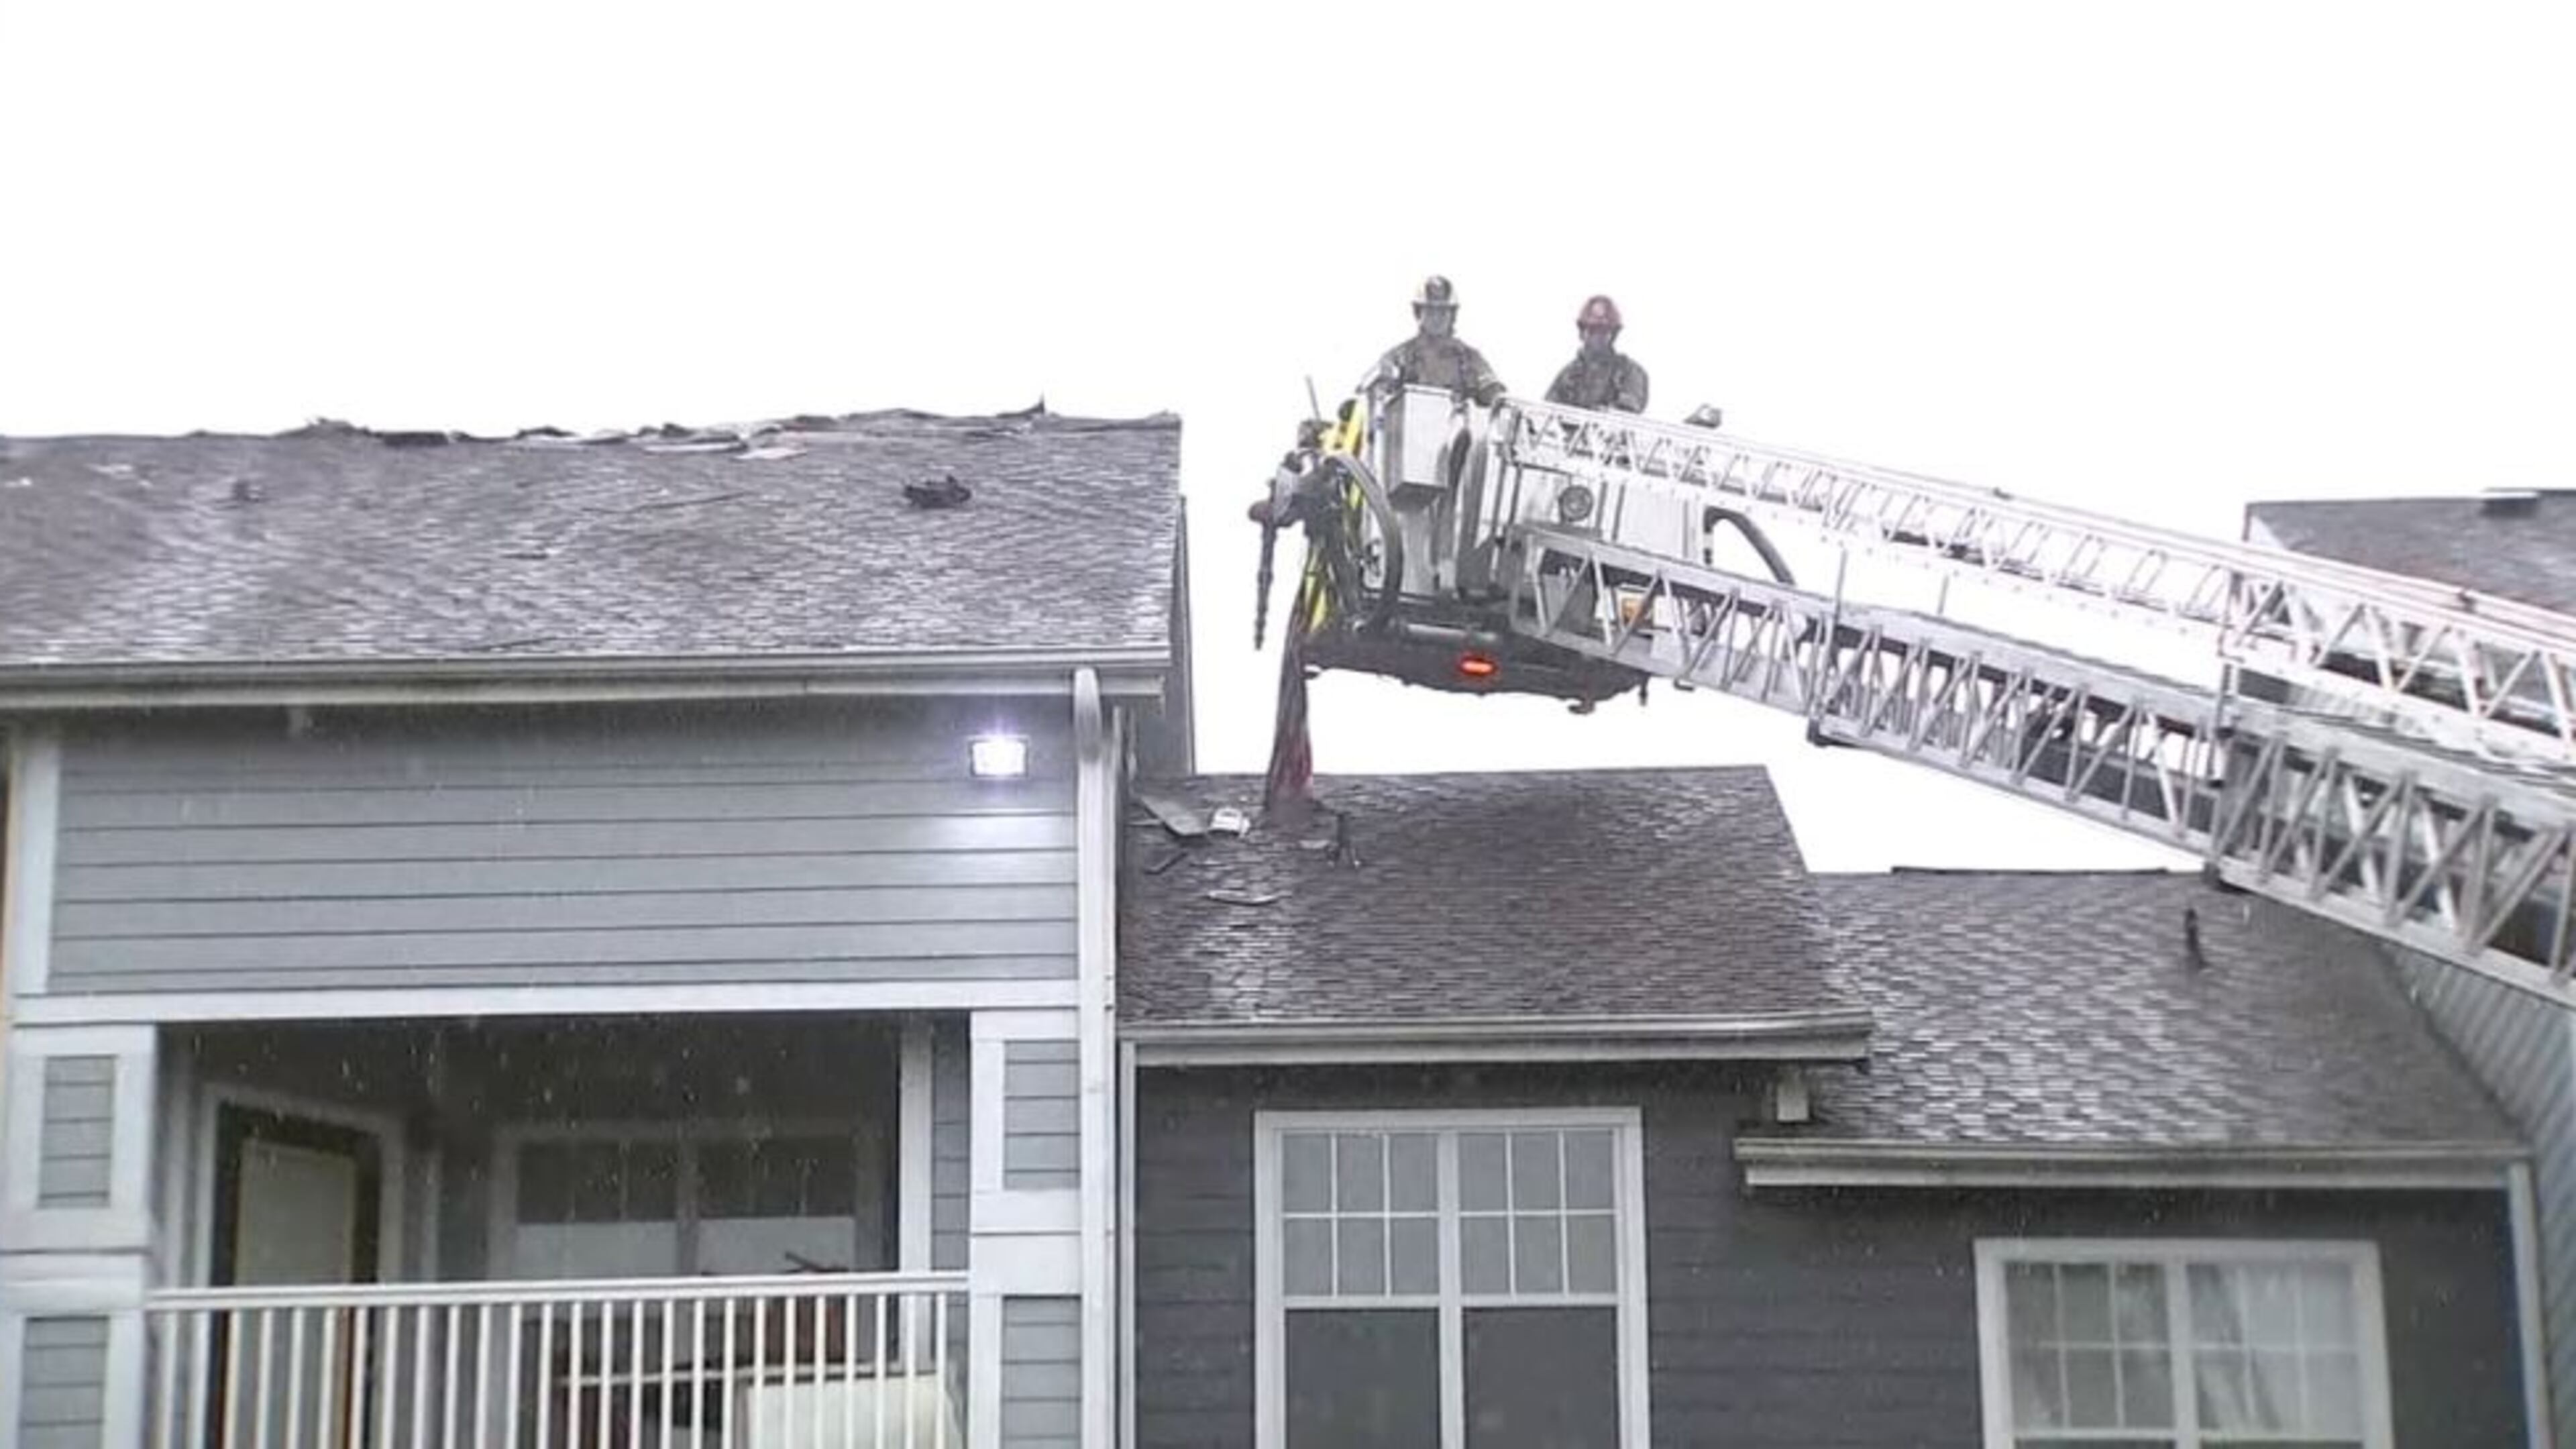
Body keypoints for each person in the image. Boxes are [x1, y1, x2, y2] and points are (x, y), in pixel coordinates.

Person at [1366, 275, 1507, 405]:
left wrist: (1495, 396)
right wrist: (1382, 389)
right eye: (1431, 310)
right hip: (1408, 430)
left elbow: (1494, 393)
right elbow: (1375, 394)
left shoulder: (1470, 358)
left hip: (1458, 430)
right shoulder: (1398, 357)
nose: (1437, 318)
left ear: (1453, 315)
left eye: (1443, 311)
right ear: (1418, 313)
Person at [1545, 294, 1650, 413]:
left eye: (1603, 331)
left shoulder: (1629, 372)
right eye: (1591, 330)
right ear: (1582, 332)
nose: (1596, 337)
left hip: (1610, 431)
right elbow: (1548, 412)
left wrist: (1605, 413)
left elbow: (1627, 411)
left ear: (1613, 334)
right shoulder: (1569, 374)